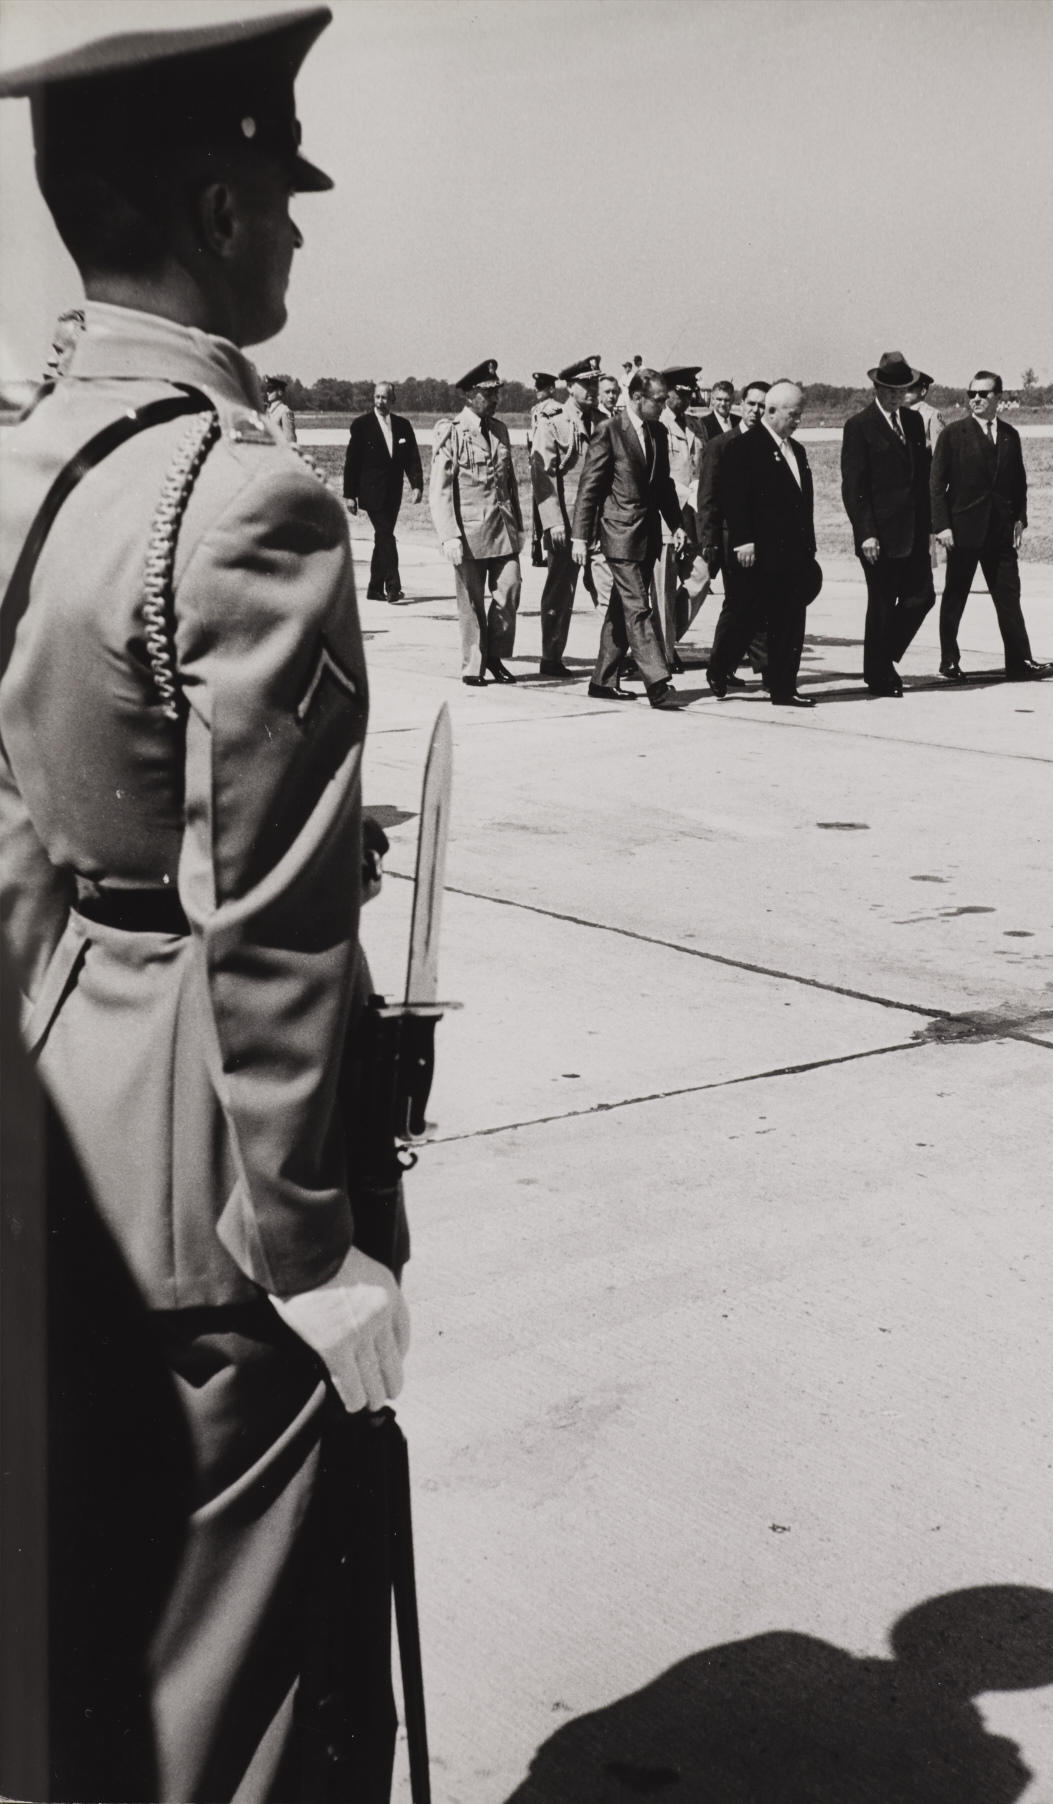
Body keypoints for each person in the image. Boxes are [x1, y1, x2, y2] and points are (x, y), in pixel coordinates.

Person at [0, 10, 411, 1802]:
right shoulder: (249, 498)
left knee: (71, 1631)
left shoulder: (30, 461)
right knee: (223, 1685)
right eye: (286, 196)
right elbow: (272, 924)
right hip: (205, 1182)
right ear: (219, 204)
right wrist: (314, 1249)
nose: (305, 233)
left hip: (53, 1124)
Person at [571, 367, 688, 709]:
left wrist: (677, 523)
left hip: (648, 533)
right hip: (620, 534)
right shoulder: (609, 431)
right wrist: (580, 536)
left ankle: (602, 680)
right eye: (658, 399)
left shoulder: (657, 431)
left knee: (621, 609)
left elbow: (663, 484)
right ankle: (658, 683)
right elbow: (589, 488)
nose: (663, 405)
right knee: (639, 607)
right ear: (637, 398)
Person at [706, 382, 822, 707]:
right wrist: (743, 540)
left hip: (792, 555)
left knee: (790, 621)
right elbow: (734, 498)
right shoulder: (743, 448)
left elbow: (803, 504)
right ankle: (720, 666)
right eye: (793, 414)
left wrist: (808, 547)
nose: (798, 420)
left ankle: (784, 688)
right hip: (755, 554)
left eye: (800, 414)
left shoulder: (797, 451)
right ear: (771, 412)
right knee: (746, 616)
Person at [931, 370, 1043, 681]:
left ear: (999, 398)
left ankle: (1019, 661)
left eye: (983, 394)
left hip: (1000, 532)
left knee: (1009, 596)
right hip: (963, 531)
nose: (976, 399)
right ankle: (949, 661)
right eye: (972, 394)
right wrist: (942, 526)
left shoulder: (1010, 435)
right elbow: (937, 485)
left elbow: (1018, 482)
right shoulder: (953, 434)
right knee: (955, 596)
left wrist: (1020, 518)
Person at [840, 350, 936, 696]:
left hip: (912, 531)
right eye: (892, 391)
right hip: (878, 535)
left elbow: (921, 477)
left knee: (922, 598)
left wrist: (931, 526)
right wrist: (865, 532)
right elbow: (854, 487)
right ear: (877, 389)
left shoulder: (912, 422)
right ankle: (880, 674)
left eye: (903, 391)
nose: (898, 397)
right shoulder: (859, 427)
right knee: (881, 604)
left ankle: (881, 657)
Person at [429, 358, 525, 686]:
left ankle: (496, 656)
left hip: (502, 530)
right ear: (471, 396)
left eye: (497, 392)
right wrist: (448, 536)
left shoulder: (500, 430)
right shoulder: (451, 432)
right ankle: (474, 665)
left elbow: (509, 484)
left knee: (509, 590)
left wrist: (520, 527)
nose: (496, 399)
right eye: (489, 393)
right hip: (469, 532)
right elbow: (439, 490)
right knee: (471, 603)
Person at [530, 354, 601, 678]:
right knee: (561, 589)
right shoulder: (554, 420)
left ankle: (617, 655)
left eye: (595, 383)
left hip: (600, 521)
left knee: (610, 587)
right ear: (571, 387)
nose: (593, 389)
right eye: (586, 384)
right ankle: (552, 655)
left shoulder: (603, 422)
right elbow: (541, 474)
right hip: (567, 522)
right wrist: (553, 521)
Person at [696, 378, 769, 688]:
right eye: (751, 404)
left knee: (763, 603)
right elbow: (707, 498)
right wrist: (709, 541)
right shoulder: (721, 445)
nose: (755, 410)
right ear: (741, 404)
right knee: (739, 604)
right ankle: (722, 667)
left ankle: (764, 668)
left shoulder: (770, 445)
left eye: (763, 406)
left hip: (765, 540)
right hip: (731, 540)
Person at [343, 379, 424, 601]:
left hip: (393, 492)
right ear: (373, 398)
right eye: (377, 397)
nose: (380, 401)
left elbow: (412, 459)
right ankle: (393, 586)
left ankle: (374, 588)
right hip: (370, 492)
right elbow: (352, 462)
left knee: (382, 536)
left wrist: (416, 485)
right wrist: (349, 495)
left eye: (385, 397)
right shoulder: (361, 425)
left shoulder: (403, 426)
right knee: (386, 535)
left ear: (393, 400)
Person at [658, 365, 712, 665]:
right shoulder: (658, 425)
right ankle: (662, 652)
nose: (688, 397)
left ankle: (664, 639)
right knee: (663, 588)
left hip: (692, 518)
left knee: (700, 577)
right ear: (667, 392)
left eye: (691, 392)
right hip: (666, 518)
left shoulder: (697, 426)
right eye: (682, 392)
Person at [529, 371, 558, 567]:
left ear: (551, 389)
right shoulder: (536, 410)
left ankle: (549, 551)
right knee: (536, 511)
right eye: (536, 387)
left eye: (541, 387)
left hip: (548, 467)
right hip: (536, 464)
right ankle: (537, 549)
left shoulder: (556, 409)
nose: (537, 390)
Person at [691, 378, 736, 442]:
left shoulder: (740, 421)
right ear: (712, 400)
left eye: (727, 400)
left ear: (732, 400)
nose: (723, 404)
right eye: (719, 399)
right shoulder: (702, 424)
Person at [263, 372, 297, 443]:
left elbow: (290, 440)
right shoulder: (266, 410)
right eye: (267, 389)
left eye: (271, 389)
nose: (268, 392)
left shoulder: (285, 412)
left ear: (280, 392)